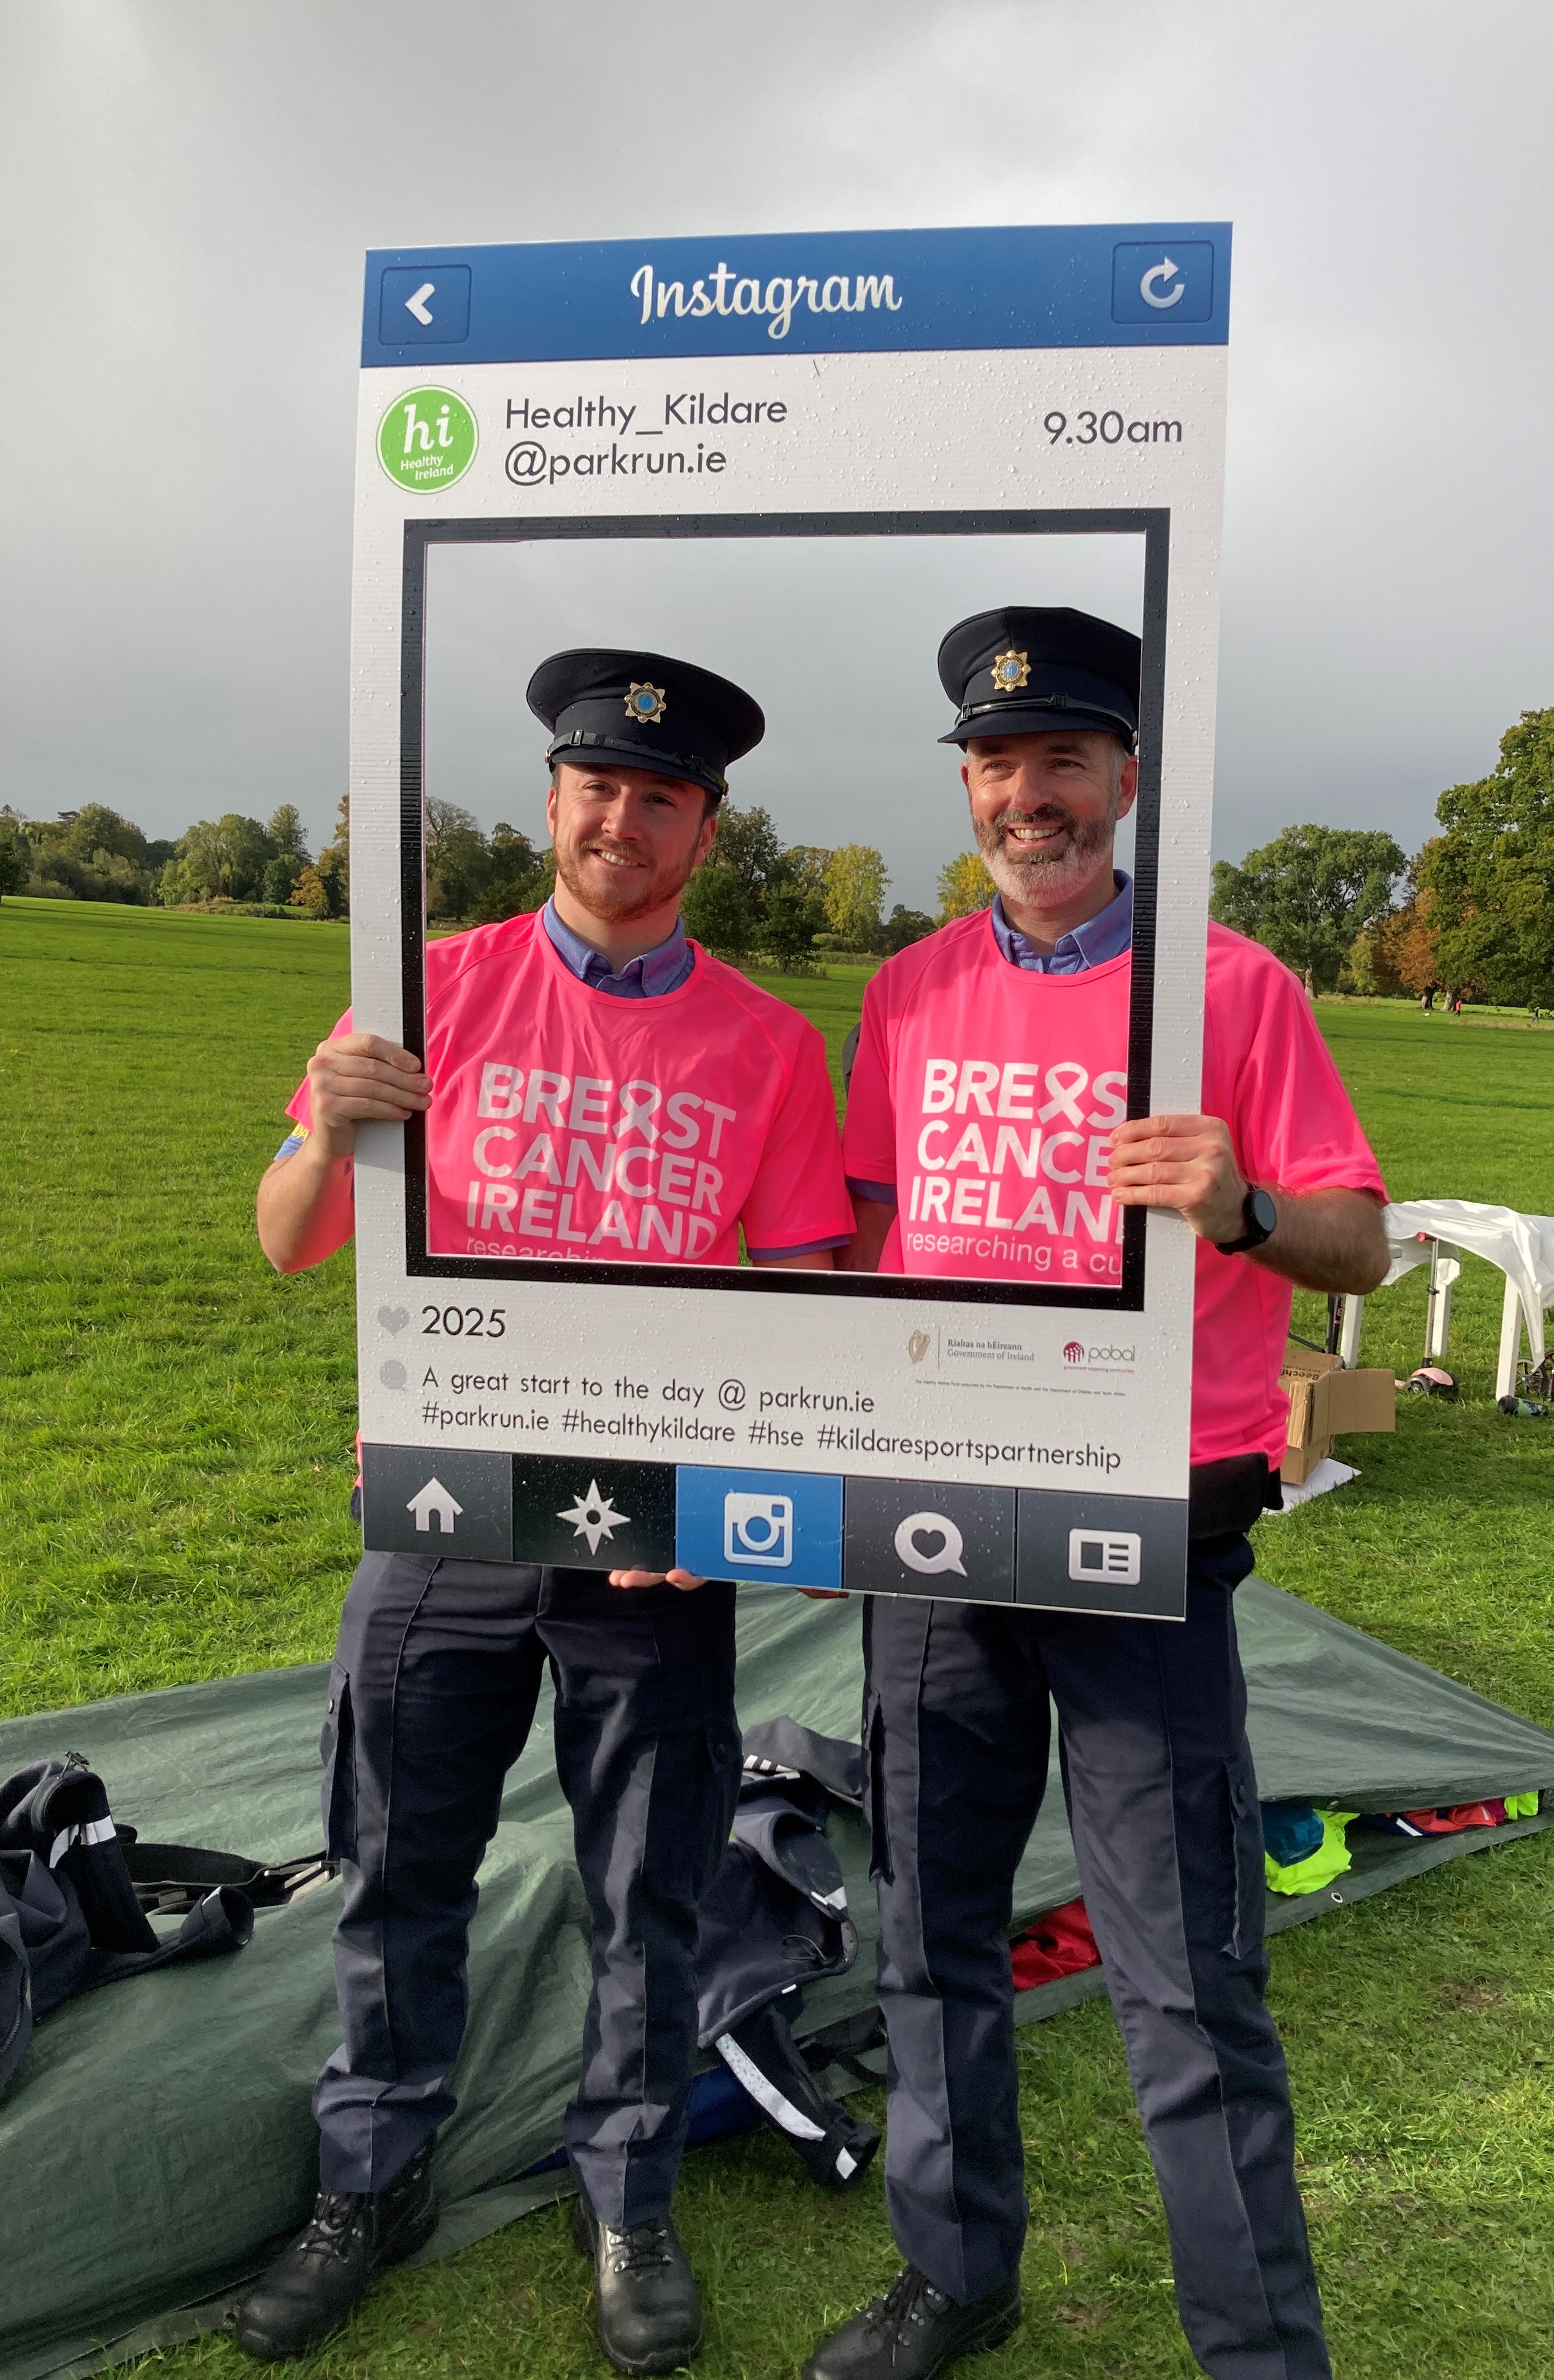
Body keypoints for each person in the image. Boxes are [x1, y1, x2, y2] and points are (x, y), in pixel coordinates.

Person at [237, 649, 853, 2375]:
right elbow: (291, 1238)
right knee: (395, 1868)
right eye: (597, 787)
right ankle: (372, 2176)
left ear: (703, 832)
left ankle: (627, 2188)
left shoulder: (765, 1046)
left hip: (652, 1538)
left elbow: (807, 1306)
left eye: (661, 798)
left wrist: (741, 1501)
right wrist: (325, 1128)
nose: (622, 820)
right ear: (554, 801)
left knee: (647, 1890)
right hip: (440, 1515)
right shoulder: (422, 998)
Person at [804, 607, 1390, 2380]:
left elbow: (1354, 1235)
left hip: (1146, 1534)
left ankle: (1252, 2348)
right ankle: (955, 2274)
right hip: (933, 1530)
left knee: (1185, 1979)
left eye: (1062, 758)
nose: (1026, 794)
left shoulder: (1232, 987)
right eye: (995, 762)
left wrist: (1235, 1207)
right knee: (928, 1934)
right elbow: (853, 1246)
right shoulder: (908, 993)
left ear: (1126, 780)